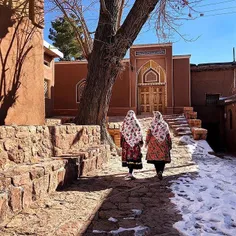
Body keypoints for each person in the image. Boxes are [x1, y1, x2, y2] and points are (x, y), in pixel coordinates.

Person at [145, 111, 172, 180]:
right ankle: (160, 171)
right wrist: (170, 143)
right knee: (162, 159)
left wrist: (146, 142)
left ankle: (158, 172)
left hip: (153, 143)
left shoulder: (152, 124)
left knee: (155, 159)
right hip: (163, 143)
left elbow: (149, 134)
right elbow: (168, 135)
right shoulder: (164, 124)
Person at [120, 110, 143, 180]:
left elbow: (121, 131)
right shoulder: (135, 122)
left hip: (126, 143)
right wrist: (140, 140)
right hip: (134, 143)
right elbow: (139, 131)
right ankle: (131, 172)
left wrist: (122, 141)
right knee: (133, 157)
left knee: (128, 157)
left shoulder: (125, 122)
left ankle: (130, 172)